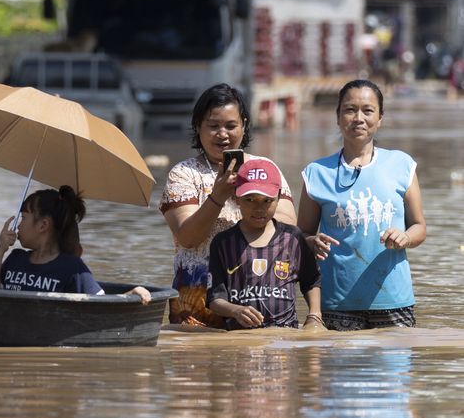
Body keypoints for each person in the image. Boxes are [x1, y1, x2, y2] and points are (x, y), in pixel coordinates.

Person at [159, 83, 296, 327]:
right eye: (213, 126)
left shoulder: (265, 169)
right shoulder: (183, 174)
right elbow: (188, 237)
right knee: (196, 360)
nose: (222, 134)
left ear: (243, 125)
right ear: (198, 127)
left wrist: (250, 199)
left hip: (256, 294)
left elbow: (288, 231)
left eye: (231, 126)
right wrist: (218, 196)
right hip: (196, 297)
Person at [297, 79, 426, 331]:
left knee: (394, 368)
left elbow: (419, 226)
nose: (358, 118)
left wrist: (405, 237)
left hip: (394, 300)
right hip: (336, 303)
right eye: (349, 109)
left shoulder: (402, 165)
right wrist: (310, 242)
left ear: (380, 118)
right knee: (340, 369)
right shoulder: (316, 173)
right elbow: (300, 234)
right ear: (337, 117)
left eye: (368, 110)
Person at [206, 159, 324, 330]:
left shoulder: (293, 238)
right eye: (249, 200)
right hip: (240, 338)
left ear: (278, 198)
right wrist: (236, 311)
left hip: (285, 336)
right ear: (236, 198)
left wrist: (314, 315)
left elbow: (311, 280)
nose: (259, 208)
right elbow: (214, 299)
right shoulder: (223, 243)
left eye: (267, 200)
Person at [0, 185, 150, 303]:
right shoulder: (15, 259)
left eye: (24, 218)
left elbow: (102, 305)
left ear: (43, 225)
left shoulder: (72, 268)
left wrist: (131, 295)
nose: (18, 225)